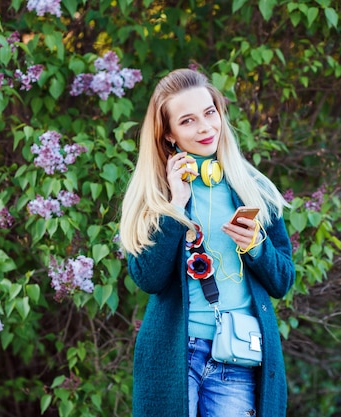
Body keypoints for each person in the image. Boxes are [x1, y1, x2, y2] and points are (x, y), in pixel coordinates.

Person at [119, 68, 296, 417]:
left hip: (237, 356)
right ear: (168, 134)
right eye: (187, 121)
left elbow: (283, 280)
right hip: (175, 357)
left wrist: (257, 248)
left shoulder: (252, 188)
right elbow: (148, 279)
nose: (205, 128)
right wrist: (175, 205)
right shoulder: (154, 196)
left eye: (209, 112)